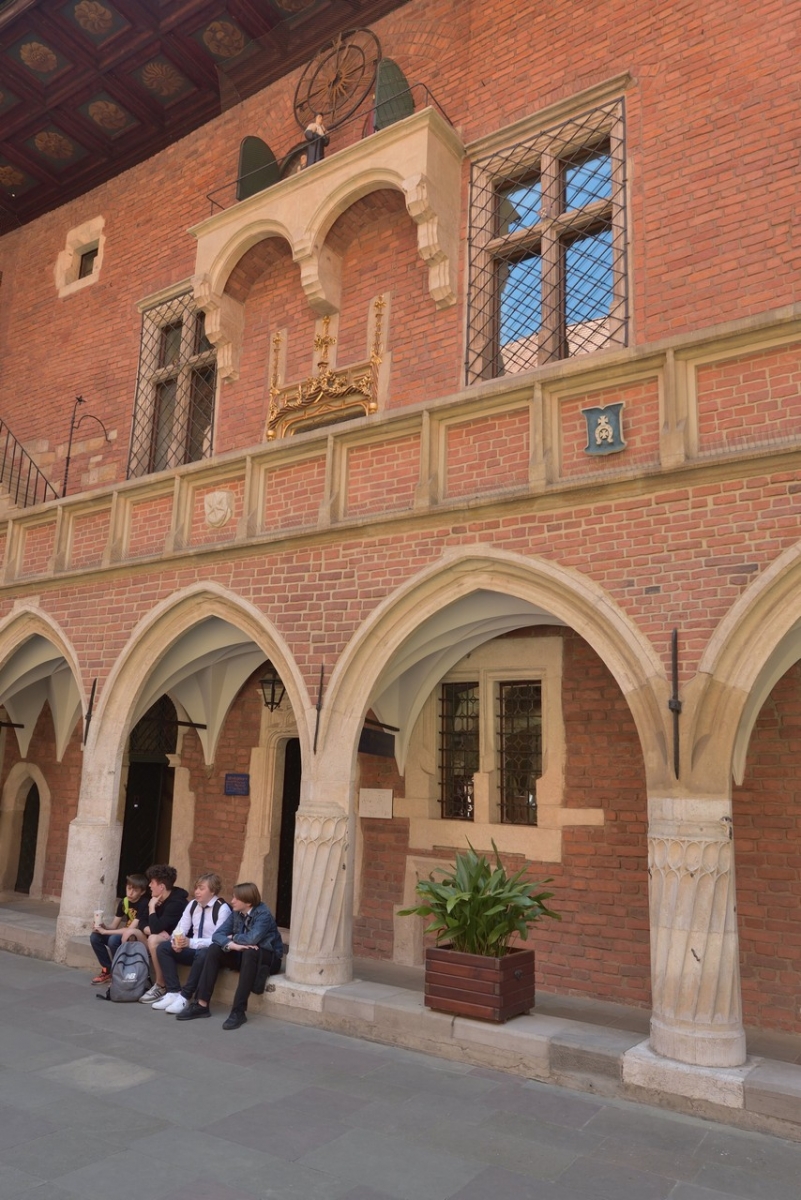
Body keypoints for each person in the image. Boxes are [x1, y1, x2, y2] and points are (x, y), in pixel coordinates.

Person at [176, 882, 283, 1029]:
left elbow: (252, 939)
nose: (232, 901)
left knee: (250, 951)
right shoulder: (236, 913)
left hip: (267, 958)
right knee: (214, 948)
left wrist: (233, 937)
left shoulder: (263, 914)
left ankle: (238, 1012)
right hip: (243, 954)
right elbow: (217, 935)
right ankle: (201, 1004)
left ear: (248, 902)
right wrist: (232, 945)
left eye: (236, 898)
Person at [150, 872, 231, 1014]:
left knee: (204, 952)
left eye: (201, 888)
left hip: (212, 954)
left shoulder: (222, 909)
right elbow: (181, 928)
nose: (197, 892)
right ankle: (173, 992)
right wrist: (176, 942)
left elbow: (218, 940)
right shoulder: (193, 905)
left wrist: (189, 943)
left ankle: (185, 996)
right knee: (163, 947)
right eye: (196, 888)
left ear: (212, 891)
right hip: (193, 949)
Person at [127, 864, 189, 1004]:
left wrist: (151, 908)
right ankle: (128, 978)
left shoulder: (176, 903)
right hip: (161, 938)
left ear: (161, 886)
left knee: (153, 939)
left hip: (179, 944)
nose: (149, 885)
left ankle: (160, 985)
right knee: (130, 932)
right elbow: (142, 922)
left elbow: (155, 928)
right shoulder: (156, 898)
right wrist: (151, 929)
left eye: (152, 883)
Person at [89, 873, 148, 986]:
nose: (130, 893)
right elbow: (114, 926)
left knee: (113, 939)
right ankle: (107, 970)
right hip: (125, 934)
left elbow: (130, 929)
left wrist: (106, 932)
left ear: (142, 892)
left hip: (136, 937)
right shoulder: (124, 902)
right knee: (95, 937)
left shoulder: (144, 903)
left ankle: (119, 973)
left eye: (135, 890)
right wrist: (103, 927)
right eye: (129, 888)